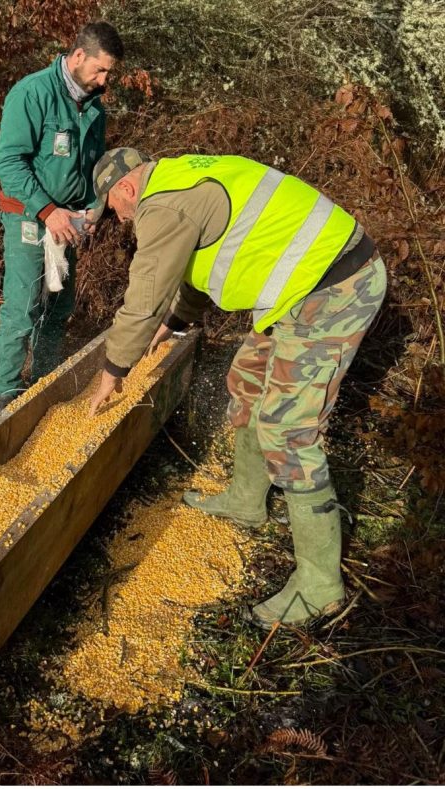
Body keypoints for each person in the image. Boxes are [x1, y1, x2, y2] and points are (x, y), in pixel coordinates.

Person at [87, 148, 387, 628]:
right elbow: (194, 265)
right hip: (300, 287)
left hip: (334, 287)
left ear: (124, 188)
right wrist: (178, 319)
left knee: (287, 430)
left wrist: (113, 370)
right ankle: (247, 500)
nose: (121, 221)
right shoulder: (181, 178)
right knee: (245, 379)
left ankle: (321, 586)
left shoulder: (160, 206)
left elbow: (143, 298)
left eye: (114, 211)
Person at [0, 22, 124, 419]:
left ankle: (45, 388)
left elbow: (93, 167)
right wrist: (48, 211)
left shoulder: (94, 107)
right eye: (100, 70)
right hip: (29, 217)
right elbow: (8, 163)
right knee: (23, 306)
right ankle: (4, 402)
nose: (104, 79)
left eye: (109, 73)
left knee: (58, 308)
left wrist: (93, 210)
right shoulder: (32, 93)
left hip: (68, 224)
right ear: (78, 56)